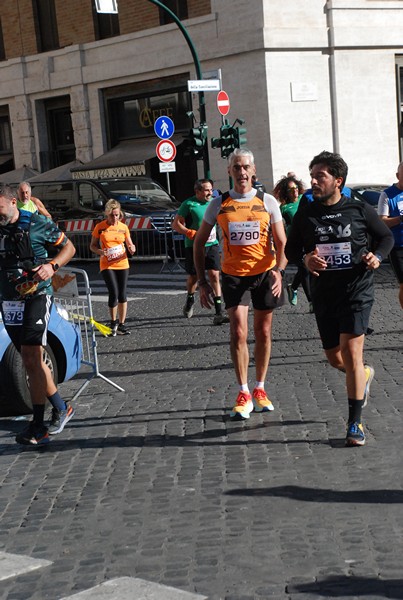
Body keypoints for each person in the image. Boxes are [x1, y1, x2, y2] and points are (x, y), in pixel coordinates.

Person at [285, 151, 394, 446]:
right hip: (323, 293)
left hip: (356, 290)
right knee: (336, 358)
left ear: (338, 180)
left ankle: (355, 423)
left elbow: (386, 237)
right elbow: (290, 249)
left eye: (320, 176)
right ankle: (362, 374)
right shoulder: (306, 214)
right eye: (313, 176)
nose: (314, 181)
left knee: (351, 352)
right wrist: (305, 259)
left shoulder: (359, 209)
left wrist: (377, 256)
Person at [194, 148, 287, 419]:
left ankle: (260, 387)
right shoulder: (219, 203)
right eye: (236, 167)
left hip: (265, 273)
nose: (242, 172)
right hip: (234, 276)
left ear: (253, 170)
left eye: (246, 167)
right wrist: (202, 281)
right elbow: (199, 242)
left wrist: (279, 271)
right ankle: (243, 391)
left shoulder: (268, 201)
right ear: (229, 171)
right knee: (238, 332)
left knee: (265, 331)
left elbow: (282, 242)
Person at [0, 184, 76, 445]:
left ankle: (37, 424)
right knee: (31, 361)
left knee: (32, 355)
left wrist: (52, 266)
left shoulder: (36, 222)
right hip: (9, 301)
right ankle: (61, 407)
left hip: (37, 296)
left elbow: (69, 248)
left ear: (13, 202)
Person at [172, 178, 228, 325]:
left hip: (212, 244)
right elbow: (176, 224)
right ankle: (190, 299)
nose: (210, 193)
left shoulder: (215, 203)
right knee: (194, 277)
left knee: (215, 275)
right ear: (197, 191)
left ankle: (218, 312)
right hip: (194, 246)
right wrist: (188, 232)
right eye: (206, 190)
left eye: (211, 189)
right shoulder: (189, 204)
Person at [90, 199, 136, 336]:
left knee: (122, 294)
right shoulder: (100, 227)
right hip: (107, 264)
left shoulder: (123, 227)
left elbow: (130, 244)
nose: (114, 218)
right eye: (112, 215)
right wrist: (100, 252)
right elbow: (92, 245)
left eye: (117, 215)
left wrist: (132, 248)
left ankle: (122, 324)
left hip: (122, 263)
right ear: (107, 214)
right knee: (113, 293)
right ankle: (113, 321)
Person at [276, 175, 312, 310]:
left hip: (308, 239)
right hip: (295, 241)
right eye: (291, 189)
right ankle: (311, 302)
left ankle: (293, 287)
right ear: (286, 192)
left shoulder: (305, 199)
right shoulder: (284, 208)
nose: (294, 191)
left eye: (296, 188)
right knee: (304, 268)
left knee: (306, 268)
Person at [377, 161, 403, 309]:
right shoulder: (387, 195)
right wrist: (400, 218)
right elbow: (382, 222)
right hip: (398, 246)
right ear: (398, 175)